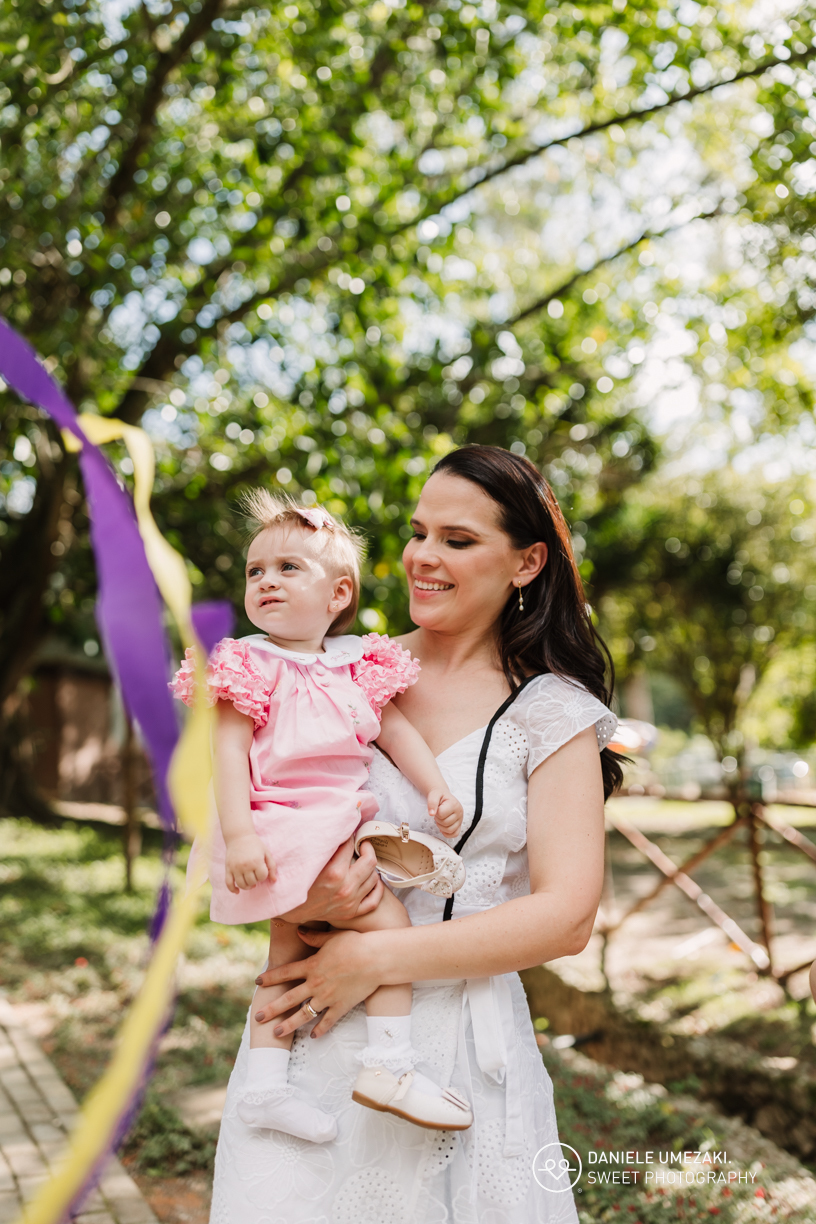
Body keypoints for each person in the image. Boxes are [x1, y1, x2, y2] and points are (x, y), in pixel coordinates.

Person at [208, 446, 622, 1224]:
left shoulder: (552, 713)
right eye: (418, 531)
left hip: (455, 1049)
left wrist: (373, 955)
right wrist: (303, 896)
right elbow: (249, 815)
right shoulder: (337, 669)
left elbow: (567, 917)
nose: (423, 558)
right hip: (307, 1036)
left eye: (458, 541)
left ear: (528, 562)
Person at [171, 491, 473, 1144]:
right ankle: (390, 1064)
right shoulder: (248, 663)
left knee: (283, 964)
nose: (266, 582)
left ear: (338, 595)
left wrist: (435, 789)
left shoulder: (356, 664)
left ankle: (264, 1090)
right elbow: (226, 755)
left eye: (287, 568)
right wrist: (242, 834)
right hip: (281, 829)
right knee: (384, 926)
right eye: (255, 571)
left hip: (331, 828)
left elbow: (396, 734)